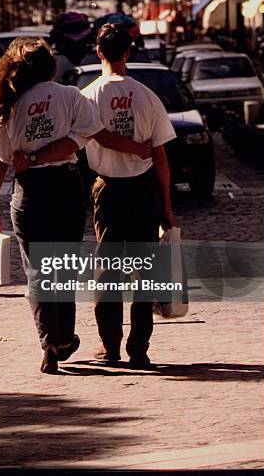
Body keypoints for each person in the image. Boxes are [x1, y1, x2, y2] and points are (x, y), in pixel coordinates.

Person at [0, 37, 152, 374]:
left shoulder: (11, 106)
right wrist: (38, 156)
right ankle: (63, 336)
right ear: (51, 65)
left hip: (27, 193)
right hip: (64, 189)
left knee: (37, 271)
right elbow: (79, 139)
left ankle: (50, 342)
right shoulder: (69, 96)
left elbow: (1, 161)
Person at [81, 24, 177, 368]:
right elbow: (161, 156)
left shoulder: (88, 96)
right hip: (144, 188)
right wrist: (167, 206)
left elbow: (77, 147)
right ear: (128, 52)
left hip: (106, 188)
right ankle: (139, 348)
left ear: (98, 51)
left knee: (107, 270)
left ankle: (110, 346)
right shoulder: (147, 96)